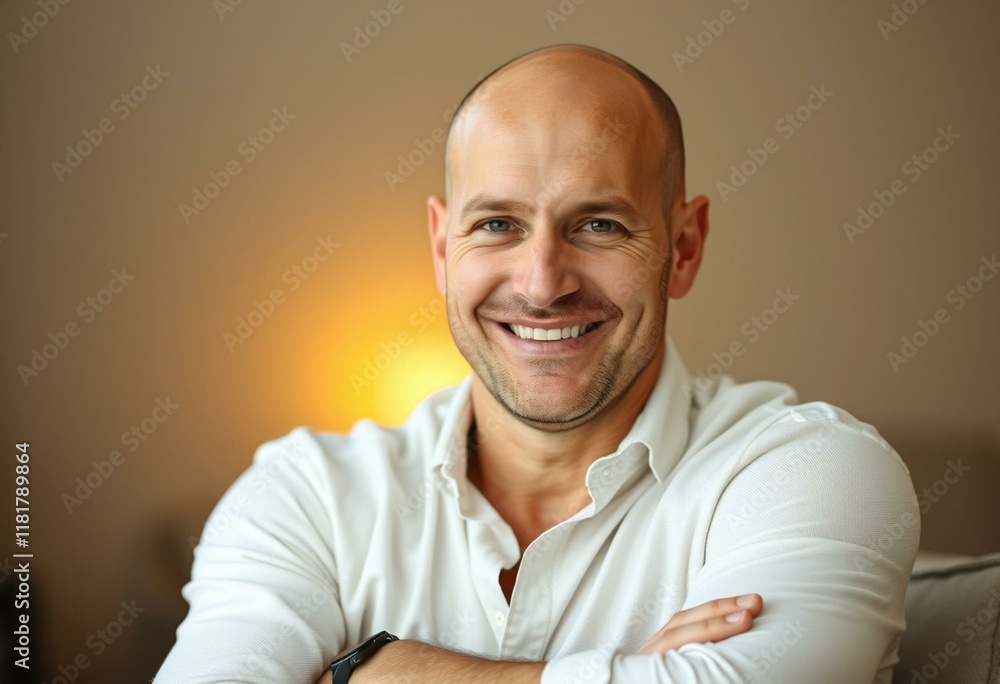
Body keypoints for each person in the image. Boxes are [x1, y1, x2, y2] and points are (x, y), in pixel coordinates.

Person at [154, 44, 919, 683]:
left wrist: (386, 673)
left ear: (683, 247)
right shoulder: (307, 498)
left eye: (598, 223)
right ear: (441, 248)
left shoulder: (813, 470)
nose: (543, 282)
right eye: (497, 224)